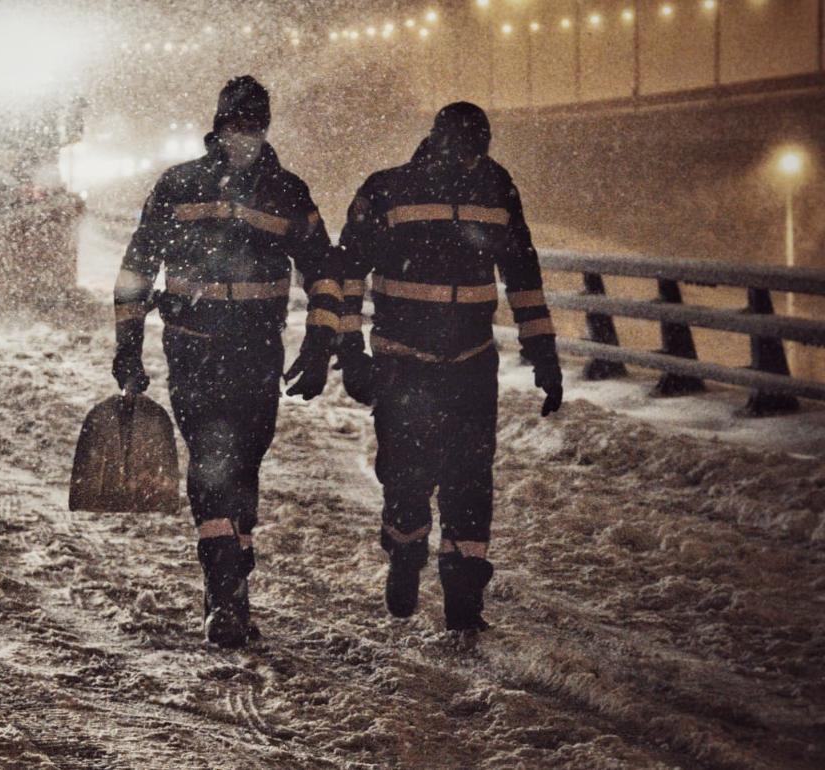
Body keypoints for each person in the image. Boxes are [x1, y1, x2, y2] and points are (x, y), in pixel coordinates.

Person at [111, 76, 341, 648]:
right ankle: (227, 594)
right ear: (219, 126)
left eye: (254, 125)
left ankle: (230, 569)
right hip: (194, 350)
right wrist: (127, 345)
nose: (245, 136)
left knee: (244, 467)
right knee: (213, 462)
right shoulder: (178, 185)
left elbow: (325, 273)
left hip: (259, 354)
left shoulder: (287, 192)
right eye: (237, 124)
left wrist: (320, 344)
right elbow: (137, 269)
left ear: (266, 128)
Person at [334, 102, 562, 645]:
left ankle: (464, 601)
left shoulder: (496, 186)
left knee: (470, 482)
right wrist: (349, 352)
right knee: (406, 479)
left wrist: (544, 353)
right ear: (434, 142)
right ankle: (406, 549)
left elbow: (522, 273)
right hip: (401, 363)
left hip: (471, 363)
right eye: (458, 148)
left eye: (474, 150)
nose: (466, 160)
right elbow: (345, 273)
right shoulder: (387, 189)